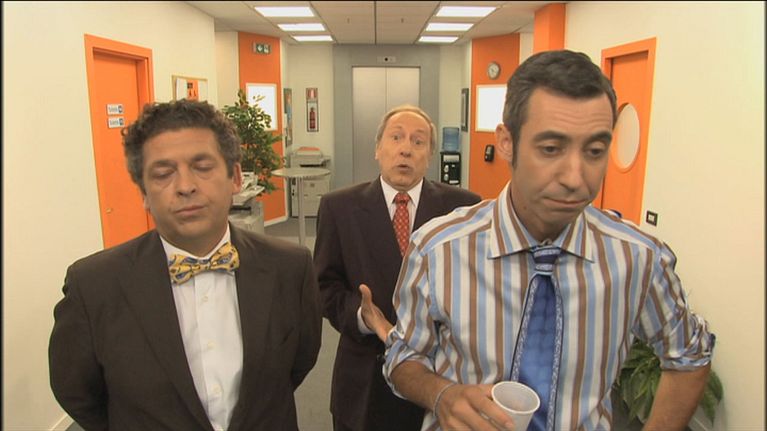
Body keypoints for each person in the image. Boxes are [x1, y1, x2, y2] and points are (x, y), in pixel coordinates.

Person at [383, 50, 715, 431]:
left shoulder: (639, 259)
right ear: (506, 142)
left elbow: (690, 356)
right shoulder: (437, 250)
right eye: (551, 149)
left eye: (595, 151)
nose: (575, 177)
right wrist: (441, 394)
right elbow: (402, 357)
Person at [49, 99, 322, 431]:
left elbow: (298, 363)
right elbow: (77, 392)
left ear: (235, 177)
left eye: (202, 167)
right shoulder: (93, 286)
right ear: (144, 193)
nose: (185, 186)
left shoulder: (291, 268)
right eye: (163, 174)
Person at [314, 105, 481, 431]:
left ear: (429, 155)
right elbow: (323, 287)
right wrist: (363, 317)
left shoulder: (463, 208)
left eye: (418, 141)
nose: (406, 149)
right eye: (396, 138)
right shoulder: (339, 207)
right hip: (364, 378)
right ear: (378, 148)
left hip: (438, 379)